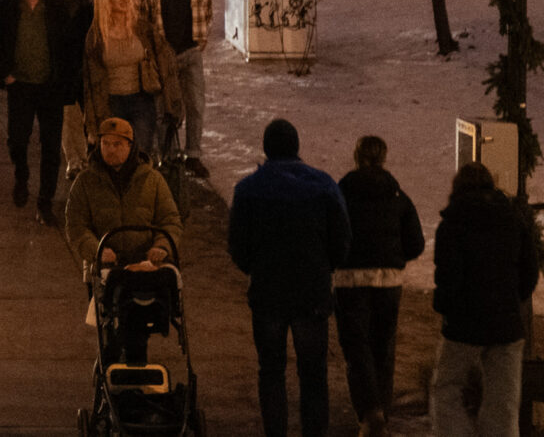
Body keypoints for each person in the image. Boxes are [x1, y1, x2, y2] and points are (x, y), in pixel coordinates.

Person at [228, 118, 351, 437]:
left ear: (266, 148)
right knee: (313, 373)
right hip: (311, 291)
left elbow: (237, 244)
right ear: (297, 146)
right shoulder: (324, 185)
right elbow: (342, 238)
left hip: (268, 291)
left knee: (271, 372)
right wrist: (326, 268)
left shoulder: (248, 189)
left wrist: (254, 268)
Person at [432, 159, 539, 437]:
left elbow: (448, 277)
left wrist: (445, 308)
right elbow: (529, 271)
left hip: (463, 324)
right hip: (506, 324)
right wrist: (512, 302)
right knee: (503, 402)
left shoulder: (452, 224)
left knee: (447, 387)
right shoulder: (514, 221)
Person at [333, 136, 424, 437]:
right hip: (389, 281)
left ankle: (370, 412)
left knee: (357, 347)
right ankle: (381, 411)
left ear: (356, 156)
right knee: (383, 348)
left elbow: (330, 232)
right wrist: (394, 258)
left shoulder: (341, 193)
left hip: (350, 280)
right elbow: (416, 243)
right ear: (384, 159)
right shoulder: (398, 196)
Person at [0, 0, 79, 221]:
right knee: (17, 140)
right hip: (21, 86)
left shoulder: (57, 9)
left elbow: (69, 47)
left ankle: (45, 202)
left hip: (50, 86)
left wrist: (65, 80)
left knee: (51, 146)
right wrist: (5, 73)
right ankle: (22, 175)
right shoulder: (6, 8)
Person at [63, 115, 181, 280]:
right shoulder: (85, 181)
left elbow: (170, 219)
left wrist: (161, 246)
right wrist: (97, 250)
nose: (111, 150)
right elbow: (76, 225)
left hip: (147, 260)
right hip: (107, 265)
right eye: (106, 144)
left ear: (130, 146)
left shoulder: (152, 179)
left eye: (117, 144)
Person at [82, 0, 177, 156]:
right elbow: (90, 82)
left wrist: (171, 102)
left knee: (141, 155)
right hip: (111, 102)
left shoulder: (142, 28)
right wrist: (93, 122)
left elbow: (166, 61)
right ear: (106, 0)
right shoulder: (96, 36)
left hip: (141, 100)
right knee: (116, 157)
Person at [147, 0, 211, 175]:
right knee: (166, 107)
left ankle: (193, 154)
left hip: (190, 51)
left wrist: (201, 37)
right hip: (164, 56)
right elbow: (142, 16)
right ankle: (168, 155)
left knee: (195, 104)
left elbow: (207, 8)